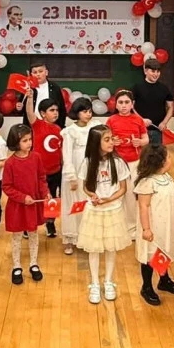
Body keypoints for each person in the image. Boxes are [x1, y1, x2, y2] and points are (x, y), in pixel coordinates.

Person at [76, 125, 133, 304]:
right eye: (107, 140)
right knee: (94, 248)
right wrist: (92, 195)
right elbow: (85, 186)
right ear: (96, 143)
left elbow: (123, 188)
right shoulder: (87, 162)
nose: (111, 142)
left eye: (111, 138)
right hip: (94, 211)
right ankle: (94, 283)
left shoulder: (118, 162)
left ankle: (108, 281)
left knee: (110, 247)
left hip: (113, 210)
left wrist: (108, 199)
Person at [135, 144, 174, 306]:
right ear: (161, 162)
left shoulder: (166, 177)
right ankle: (146, 286)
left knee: (164, 251)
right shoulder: (147, 182)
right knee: (150, 255)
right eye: (168, 157)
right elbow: (143, 206)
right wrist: (146, 229)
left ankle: (164, 279)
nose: (171, 159)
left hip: (166, 225)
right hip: (153, 227)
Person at [2, 123, 48, 285]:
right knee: (17, 236)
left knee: (33, 233)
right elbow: (7, 187)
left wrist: (45, 193)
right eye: (24, 140)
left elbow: (41, 178)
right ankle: (16, 266)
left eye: (30, 139)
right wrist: (22, 197)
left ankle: (33, 263)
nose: (29, 143)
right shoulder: (10, 163)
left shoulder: (36, 158)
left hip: (33, 204)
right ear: (16, 142)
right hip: (17, 206)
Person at [106, 90, 149, 238]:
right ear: (116, 105)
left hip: (133, 162)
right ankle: (115, 227)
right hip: (116, 162)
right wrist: (112, 141)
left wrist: (140, 142)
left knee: (130, 195)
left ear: (132, 104)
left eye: (126, 102)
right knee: (114, 193)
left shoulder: (138, 120)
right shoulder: (111, 120)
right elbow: (104, 140)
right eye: (120, 102)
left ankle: (131, 228)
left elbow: (146, 139)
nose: (124, 106)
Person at [61, 99, 95, 254]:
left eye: (90, 111)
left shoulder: (94, 127)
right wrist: (71, 176)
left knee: (88, 203)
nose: (88, 114)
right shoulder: (70, 131)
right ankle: (70, 238)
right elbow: (67, 155)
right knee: (73, 203)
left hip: (90, 169)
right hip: (75, 169)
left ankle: (86, 237)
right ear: (77, 112)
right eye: (84, 111)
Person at [26, 97, 63, 238]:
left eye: (57, 110)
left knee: (52, 198)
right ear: (42, 113)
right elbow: (29, 112)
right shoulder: (37, 125)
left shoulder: (58, 129)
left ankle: (50, 224)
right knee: (35, 199)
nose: (55, 113)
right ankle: (29, 225)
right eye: (51, 110)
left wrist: (62, 166)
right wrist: (30, 97)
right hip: (38, 173)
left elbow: (60, 150)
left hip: (55, 171)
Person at [131, 61, 174, 147]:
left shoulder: (164, 88)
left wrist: (164, 122)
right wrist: (141, 120)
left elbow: (171, 107)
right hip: (140, 130)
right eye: (153, 71)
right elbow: (131, 107)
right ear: (145, 71)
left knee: (157, 154)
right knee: (142, 154)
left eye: (158, 71)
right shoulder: (137, 87)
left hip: (158, 131)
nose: (156, 74)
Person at [22, 62, 67, 128]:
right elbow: (23, 107)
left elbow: (61, 108)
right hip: (32, 126)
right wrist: (19, 107)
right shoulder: (28, 88)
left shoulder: (54, 87)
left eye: (40, 71)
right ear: (31, 74)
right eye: (35, 72)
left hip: (51, 126)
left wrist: (60, 126)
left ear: (46, 72)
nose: (38, 74)